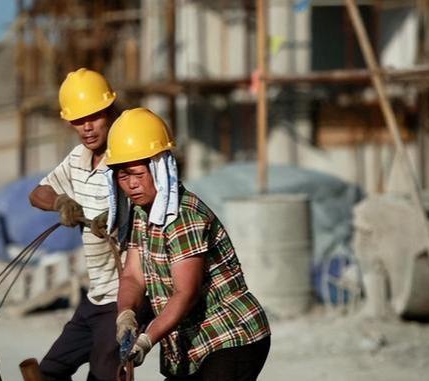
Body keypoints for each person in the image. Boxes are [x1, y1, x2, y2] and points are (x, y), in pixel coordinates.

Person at [105, 108, 271, 381]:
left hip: (229, 335)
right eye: (123, 177)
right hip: (190, 345)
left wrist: (147, 340)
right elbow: (133, 276)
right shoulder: (140, 213)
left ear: (159, 169)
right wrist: (126, 315)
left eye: (137, 174)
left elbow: (186, 292)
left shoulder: (183, 216)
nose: (132, 185)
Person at [29, 68, 121, 381]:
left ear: (109, 111)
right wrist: (60, 203)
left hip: (124, 296)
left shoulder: (126, 154)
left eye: (93, 117)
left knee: (104, 376)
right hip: (95, 295)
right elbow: (37, 193)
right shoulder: (78, 159)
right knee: (47, 374)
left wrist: (117, 218)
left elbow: (149, 203)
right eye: (78, 121)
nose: (86, 127)